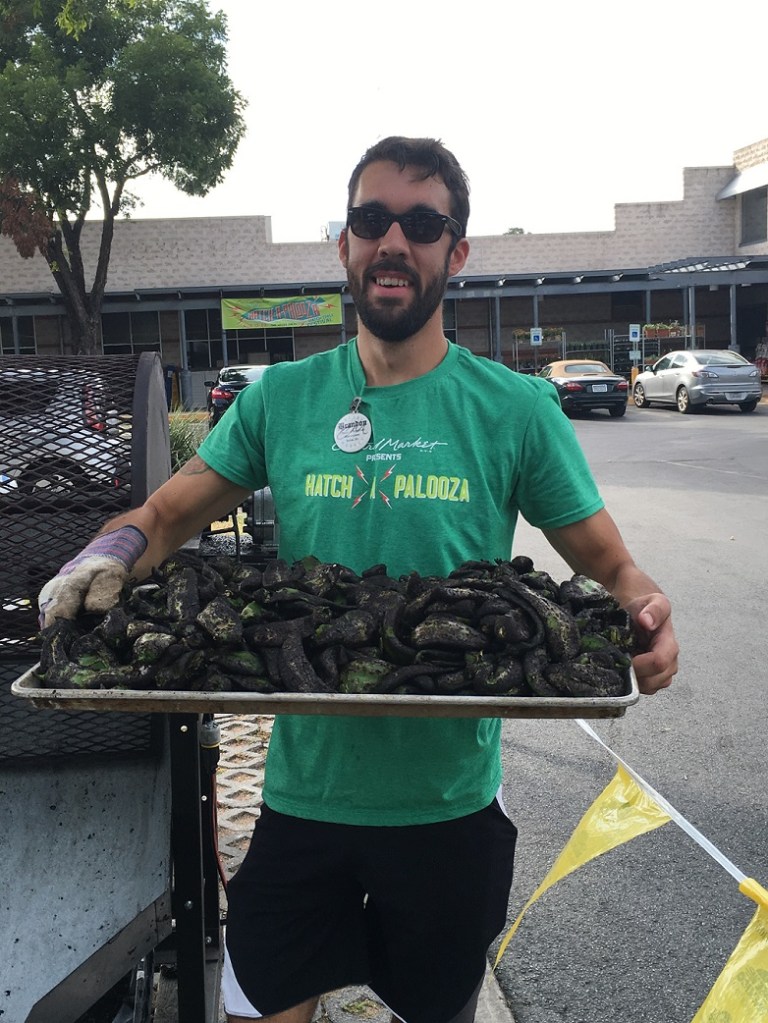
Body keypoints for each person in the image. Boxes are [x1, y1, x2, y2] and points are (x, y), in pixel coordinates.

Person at [39, 136, 679, 1023]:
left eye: (422, 224)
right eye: (372, 219)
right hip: (305, 796)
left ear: (456, 251)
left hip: (449, 807)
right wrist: (106, 553)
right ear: (344, 244)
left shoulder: (516, 408)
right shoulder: (280, 399)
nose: (394, 241)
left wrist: (643, 607)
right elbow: (169, 514)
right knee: (261, 1005)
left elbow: (608, 565)